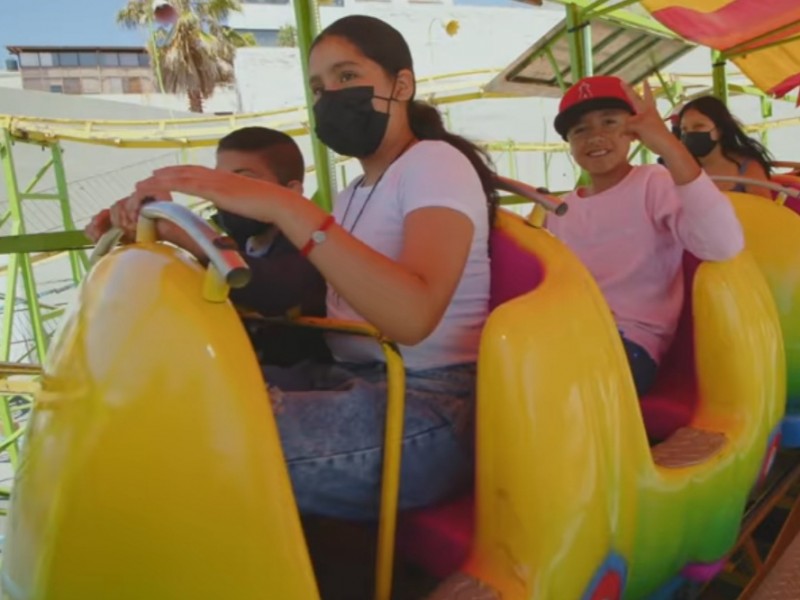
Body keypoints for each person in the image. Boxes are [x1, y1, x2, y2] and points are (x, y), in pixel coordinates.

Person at [107, 15, 498, 520]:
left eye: (346, 76)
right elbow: (296, 283)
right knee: (161, 404)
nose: (330, 95)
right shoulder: (354, 192)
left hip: (430, 405)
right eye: (318, 87)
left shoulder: (435, 163)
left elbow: (413, 315)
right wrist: (177, 231)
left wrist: (284, 207)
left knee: (185, 452)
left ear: (401, 85)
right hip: (348, 377)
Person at [548, 75, 744, 396]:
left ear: (633, 131)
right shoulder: (560, 211)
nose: (595, 137)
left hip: (630, 341)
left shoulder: (652, 183)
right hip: (572, 331)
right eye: (580, 130)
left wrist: (668, 143)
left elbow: (723, 244)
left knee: (563, 384)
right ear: (569, 142)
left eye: (609, 123)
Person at [85, 126, 329, 367]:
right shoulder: (248, 241)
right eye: (220, 183)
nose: (227, 194)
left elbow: (273, 289)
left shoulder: (313, 244)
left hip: (305, 378)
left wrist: (177, 233)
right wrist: (133, 231)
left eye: (245, 181)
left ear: (291, 192)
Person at [678, 95, 773, 198]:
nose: (690, 133)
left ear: (719, 130)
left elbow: (764, 210)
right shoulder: (679, 169)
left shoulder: (748, 167)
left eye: (699, 126)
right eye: (684, 129)